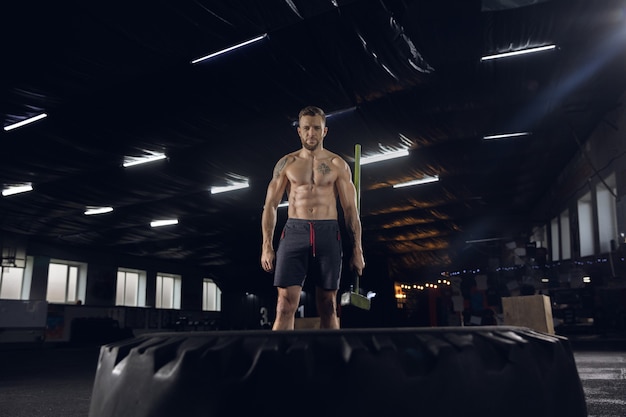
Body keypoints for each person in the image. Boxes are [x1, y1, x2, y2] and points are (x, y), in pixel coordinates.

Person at [261, 106, 365, 330]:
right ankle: (278, 360)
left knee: (328, 305)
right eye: (306, 128)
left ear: (324, 131)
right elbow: (270, 205)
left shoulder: (338, 165)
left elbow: (350, 211)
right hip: (294, 231)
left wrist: (357, 249)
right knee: (284, 305)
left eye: (316, 128)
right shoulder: (286, 163)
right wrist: (266, 246)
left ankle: (331, 360)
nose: (311, 133)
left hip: (328, 232)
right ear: (299, 131)